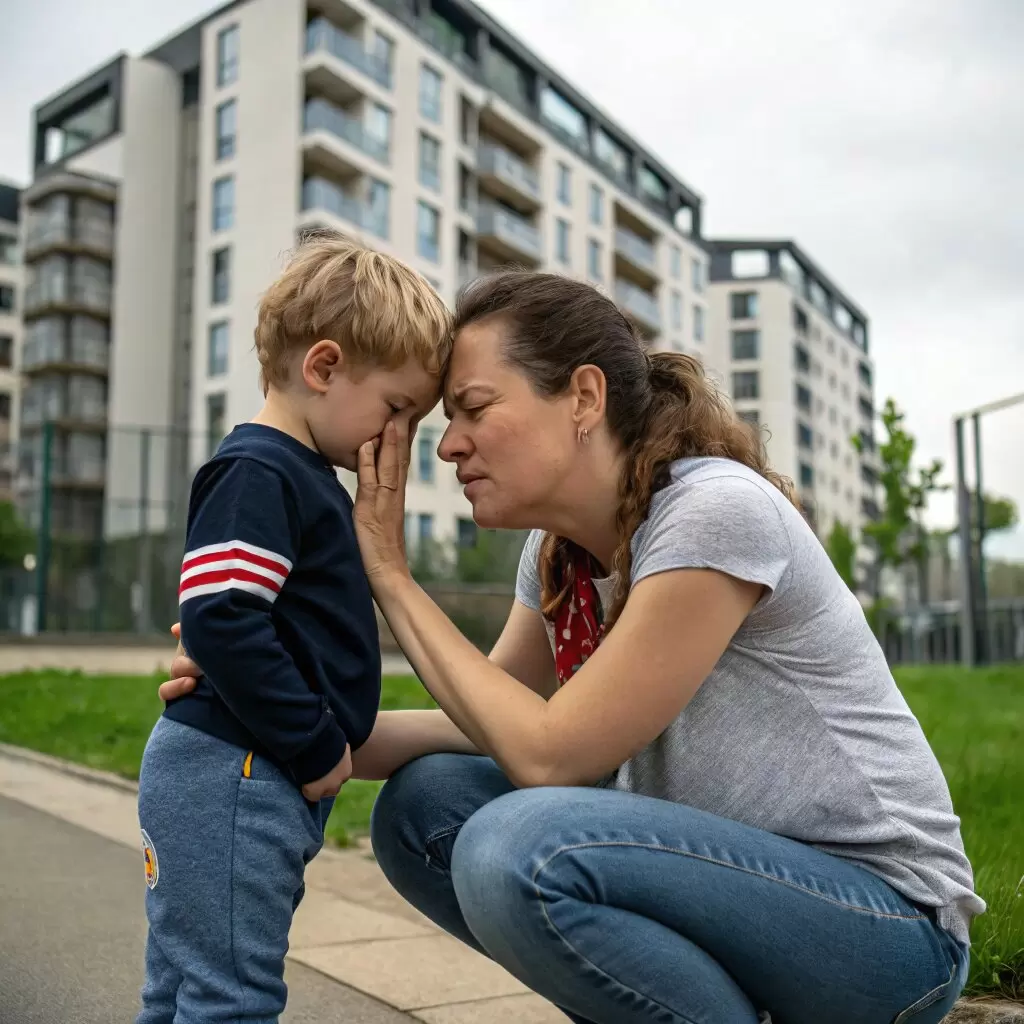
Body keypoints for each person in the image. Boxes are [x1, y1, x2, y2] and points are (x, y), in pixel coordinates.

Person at [161, 270, 982, 1024]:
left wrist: (389, 571)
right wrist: (259, 699)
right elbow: (485, 723)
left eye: (473, 409)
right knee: (424, 806)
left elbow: (550, 756)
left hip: (884, 930)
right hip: (730, 889)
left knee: (517, 848)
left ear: (584, 397)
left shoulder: (713, 511)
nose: (446, 446)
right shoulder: (559, 554)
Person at [136, 234, 450, 1024]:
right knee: (231, 998)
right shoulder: (261, 471)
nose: (398, 435)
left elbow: (243, 620)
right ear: (323, 367)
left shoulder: (297, 475)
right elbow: (221, 617)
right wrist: (313, 745)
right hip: (237, 776)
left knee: (184, 988)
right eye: (397, 408)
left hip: (234, 773)